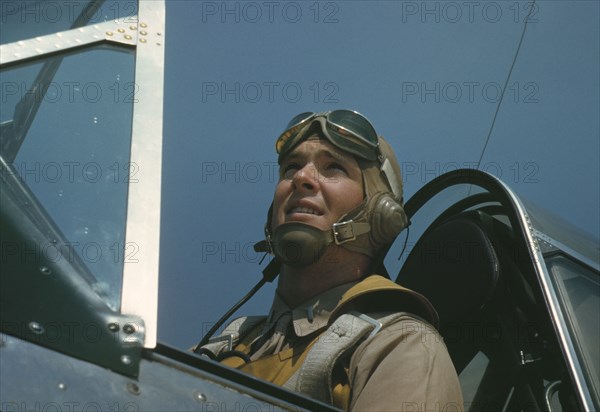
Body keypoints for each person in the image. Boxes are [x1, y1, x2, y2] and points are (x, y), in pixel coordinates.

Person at [197, 110, 464, 411]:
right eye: (291, 168)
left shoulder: (399, 345)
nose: (300, 178)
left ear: (381, 215)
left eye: (333, 167)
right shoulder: (218, 348)